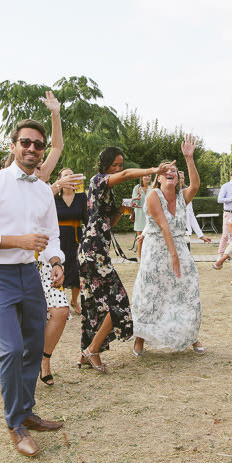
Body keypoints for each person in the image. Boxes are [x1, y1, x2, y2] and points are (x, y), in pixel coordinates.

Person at [0, 119, 65, 458]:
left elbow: (51, 236)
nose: (32, 149)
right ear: (13, 145)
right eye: (26, 142)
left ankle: (27, 411)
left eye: (38, 144)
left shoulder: (41, 190)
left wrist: (55, 262)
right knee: (10, 348)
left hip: (29, 275)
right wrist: (16, 241)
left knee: (34, 346)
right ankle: (15, 425)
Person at [79, 148, 171, 371]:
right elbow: (128, 174)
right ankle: (92, 350)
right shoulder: (98, 180)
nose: (118, 169)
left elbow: (108, 222)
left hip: (96, 250)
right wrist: (153, 170)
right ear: (105, 165)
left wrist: (123, 208)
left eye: (120, 165)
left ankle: (87, 352)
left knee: (94, 305)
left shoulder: (106, 189)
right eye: (115, 165)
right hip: (93, 251)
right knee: (118, 302)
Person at [132, 134, 205, 355]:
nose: (170, 173)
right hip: (156, 251)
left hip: (180, 249)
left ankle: (191, 336)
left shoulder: (183, 197)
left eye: (174, 171)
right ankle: (139, 339)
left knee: (188, 291)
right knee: (151, 294)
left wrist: (189, 158)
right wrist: (173, 255)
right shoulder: (153, 195)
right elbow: (164, 226)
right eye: (166, 172)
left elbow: (196, 184)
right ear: (159, 179)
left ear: (177, 178)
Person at [54, 167, 88, 314]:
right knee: (59, 268)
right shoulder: (54, 197)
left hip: (76, 237)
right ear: (60, 179)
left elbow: (87, 219)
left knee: (76, 270)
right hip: (58, 238)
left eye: (71, 175)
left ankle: (74, 301)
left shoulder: (81, 197)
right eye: (66, 175)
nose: (69, 177)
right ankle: (59, 301)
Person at [128, 174, 153, 255]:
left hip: (151, 216)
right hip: (139, 216)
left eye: (149, 176)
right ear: (141, 177)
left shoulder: (153, 187)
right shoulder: (137, 187)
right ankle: (140, 260)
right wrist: (138, 195)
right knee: (140, 240)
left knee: (151, 240)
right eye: (145, 176)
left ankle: (149, 259)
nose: (147, 177)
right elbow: (134, 203)